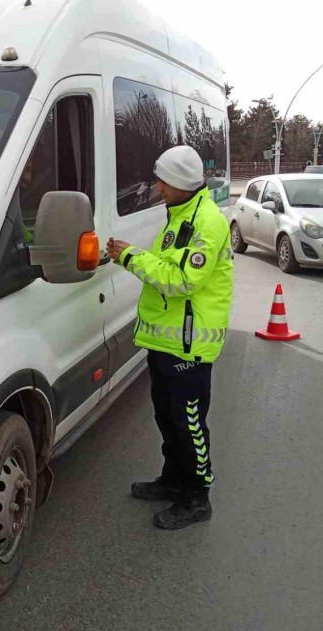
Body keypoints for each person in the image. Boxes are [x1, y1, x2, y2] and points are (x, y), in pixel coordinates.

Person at [105, 145, 234, 530]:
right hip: (167, 343)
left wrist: (130, 256)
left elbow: (180, 280)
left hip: (189, 347)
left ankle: (197, 497)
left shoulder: (207, 223)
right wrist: (132, 255)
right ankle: (173, 479)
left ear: (179, 183)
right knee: (167, 416)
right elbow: (167, 265)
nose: (157, 186)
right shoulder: (180, 215)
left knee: (189, 423)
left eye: (162, 180)